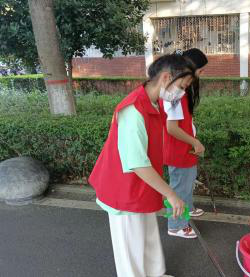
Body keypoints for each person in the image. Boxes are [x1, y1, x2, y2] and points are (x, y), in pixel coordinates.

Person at [88, 53, 195, 277]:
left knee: (147, 235)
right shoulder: (133, 110)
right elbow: (137, 163)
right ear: (166, 77)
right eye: (182, 85)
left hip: (141, 186)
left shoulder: (154, 104)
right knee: (131, 249)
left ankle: (155, 273)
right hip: (123, 189)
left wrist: (165, 191)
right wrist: (172, 194)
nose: (182, 92)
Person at [160, 48, 208, 238]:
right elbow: (171, 128)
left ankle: (187, 208)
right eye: (201, 70)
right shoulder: (175, 93)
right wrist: (195, 141)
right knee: (180, 187)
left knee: (186, 183)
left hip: (185, 147)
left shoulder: (182, 90)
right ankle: (176, 225)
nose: (202, 74)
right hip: (179, 149)